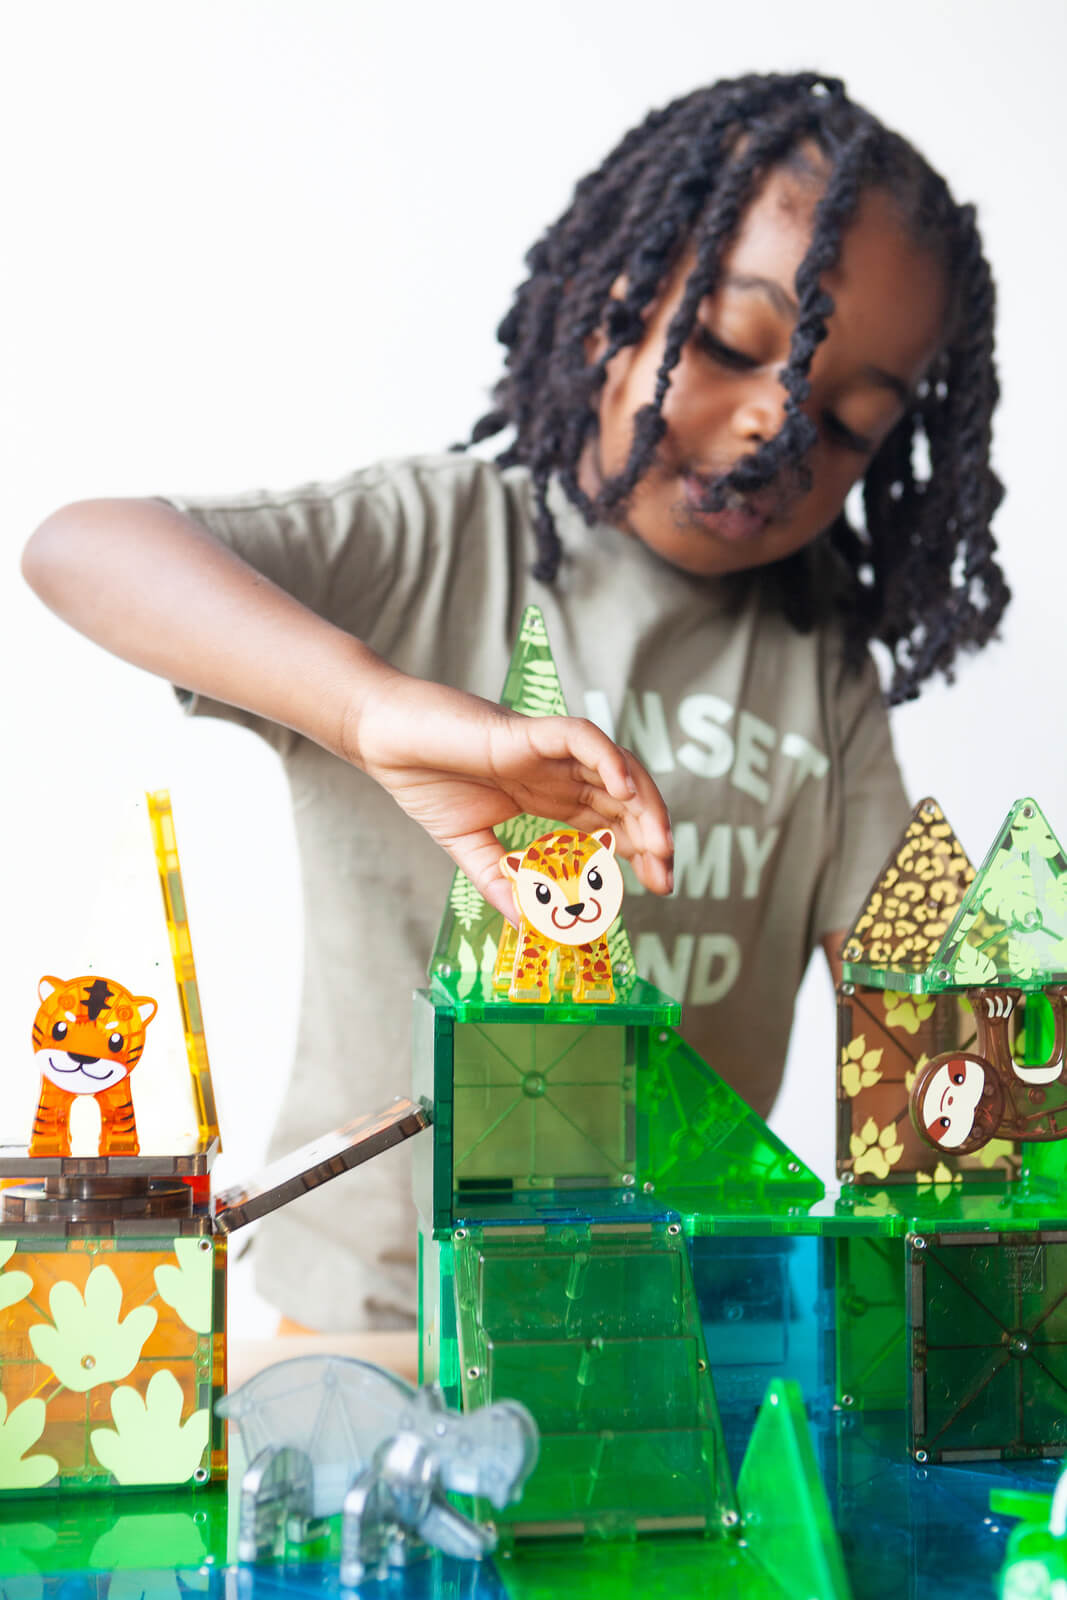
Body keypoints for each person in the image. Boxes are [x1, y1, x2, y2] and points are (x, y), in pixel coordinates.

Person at [21, 71, 1008, 1333]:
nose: (778, 425)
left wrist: (997, 1068)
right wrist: (366, 707)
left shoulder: (820, 660)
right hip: (373, 1321)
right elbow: (78, 546)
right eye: (728, 345)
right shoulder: (434, 543)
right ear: (610, 298)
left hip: (651, 1336)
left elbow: (924, 994)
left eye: (848, 421)